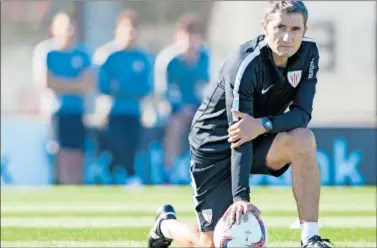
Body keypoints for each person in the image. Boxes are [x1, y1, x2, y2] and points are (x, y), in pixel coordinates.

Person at [148, 1, 334, 248]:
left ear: (305, 29)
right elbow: (239, 133)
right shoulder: (246, 63)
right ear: (265, 27)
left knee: (303, 139)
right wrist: (241, 198)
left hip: (257, 133)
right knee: (211, 244)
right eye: (279, 27)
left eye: (295, 29)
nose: (287, 36)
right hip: (213, 146)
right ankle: (165, 226)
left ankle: (310, 238)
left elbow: (301, 115)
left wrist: (263, 125)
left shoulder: (308, 53)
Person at [92, 10, 153, 185]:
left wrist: (123, 88)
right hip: (111, 111)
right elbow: (102, 85)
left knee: (132, 146)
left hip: (134, 111)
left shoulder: (142, 57)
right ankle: (109, 174)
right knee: (114, 147)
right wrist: (123, 89)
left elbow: (146, 87)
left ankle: (129, 176)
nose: (131, 34)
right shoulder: (108, 55)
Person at [154, 14, 210, 178]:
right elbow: (162, 92)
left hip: (199, 109)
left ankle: (206, 171)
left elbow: (210, 88)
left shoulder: (206, 57)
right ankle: (169, 171)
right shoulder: (169, 59)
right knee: (175, 126)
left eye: (195, 36)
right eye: (187, 36)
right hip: (173, 110)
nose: (191, 42)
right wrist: (180, 108)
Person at [40, 12, 93, 184]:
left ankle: (76, 193)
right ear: (54, 28)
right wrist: (74, 83)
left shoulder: (83, 53)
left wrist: (62, 83)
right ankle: (60, 188)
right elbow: (46, 82)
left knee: (77, 155)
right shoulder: (47, 52)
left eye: (72, 25)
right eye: (65, 25)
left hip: (77, 111)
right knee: (60, 154)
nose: (69, 30)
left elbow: (87, 84)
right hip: (56, 112)